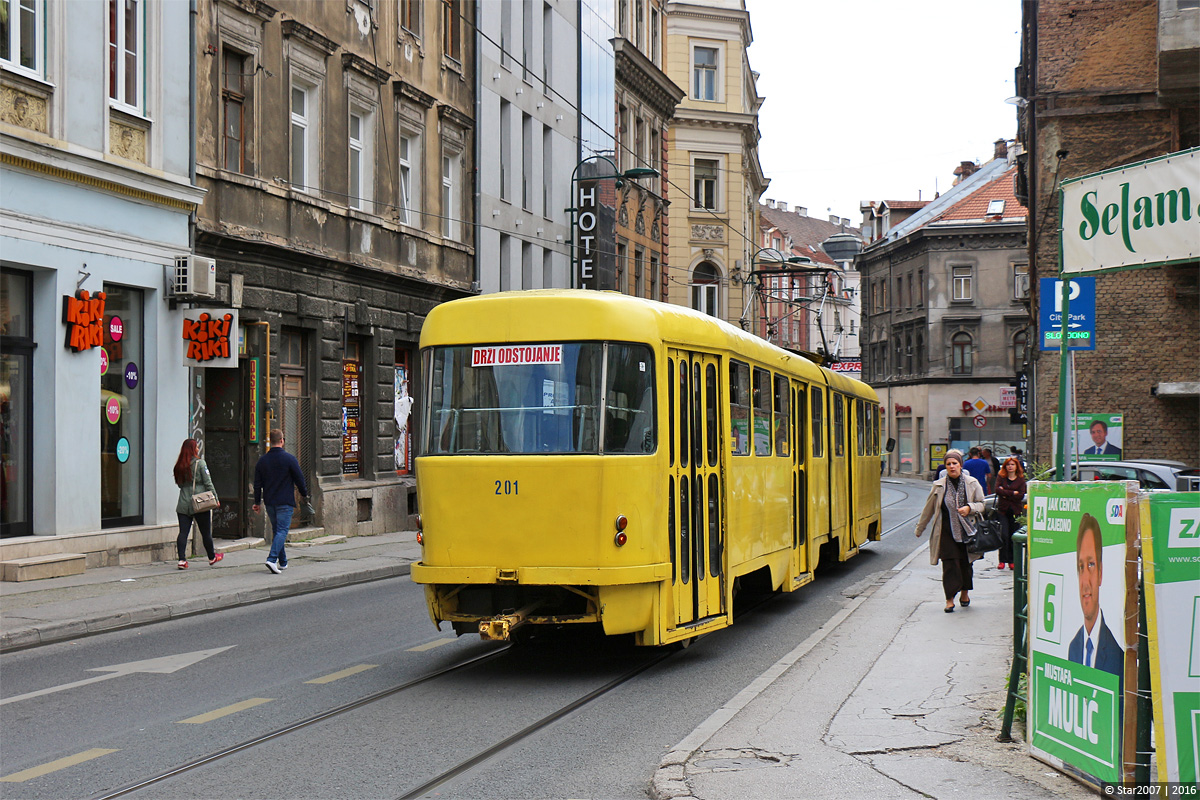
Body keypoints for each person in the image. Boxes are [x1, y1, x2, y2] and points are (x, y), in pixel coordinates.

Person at [914, 449, 986, 613]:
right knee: (949, 564)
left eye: (955, 463)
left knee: (965, 563)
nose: (952, 467)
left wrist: (970, 507)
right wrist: (920, 528)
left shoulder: (972, 482)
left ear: (960, 465)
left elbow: (982, 504)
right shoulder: (939, 486)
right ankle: (949, 599)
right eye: (948, 464)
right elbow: (929, 508)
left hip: (968, 530)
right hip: (946, 531)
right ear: (945, 467)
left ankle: (965, 593)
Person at [1067, 513, 1123, 682]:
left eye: (1091, 565)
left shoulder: (1117, 653)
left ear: (1100, 573)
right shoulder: (1074, 646)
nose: (1085, 581)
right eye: (1081, 567)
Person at [253, 428, 310, 574]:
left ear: (270, 442)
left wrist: (257, 502)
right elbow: (300, 479)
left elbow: (257, 484)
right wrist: (304, 494)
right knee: (282, 530)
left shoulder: (262, 461)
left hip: (270, 501)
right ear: (282, 441)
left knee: (277, 530)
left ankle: (283, 562)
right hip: (285, 501)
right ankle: (272, 559)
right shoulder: (290, 459)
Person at [173, 438, 222, 570]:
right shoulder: (200, 464)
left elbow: (180, 484)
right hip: (200, 502)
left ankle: (182, 560)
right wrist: (215, 498)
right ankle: (212, 557)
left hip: (183, 503)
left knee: (183, 532)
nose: (198, 449)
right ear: (193, 449)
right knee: (205, 532)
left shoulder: (179, 465)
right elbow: (208, 483)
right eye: (196, 447)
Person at [994, 457, 1026, 570]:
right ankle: (1002, 560)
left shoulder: (1021, 479)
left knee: (1013, 536)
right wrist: (1013, 493)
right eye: (1008, 464)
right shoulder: (1001, 477)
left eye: (1012, 464)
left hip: (1015, 512)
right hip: (1003, 511)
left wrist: (1005, 493)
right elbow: (997, 490)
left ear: (1016, 466)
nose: (1010, 466)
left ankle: (1012, 561)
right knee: (1004, 535)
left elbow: (1021, 495)